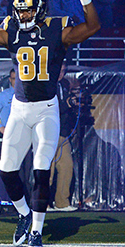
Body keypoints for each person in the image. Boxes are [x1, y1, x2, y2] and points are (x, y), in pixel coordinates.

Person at [0, 0, 101, 247]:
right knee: (6, 171)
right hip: (20, 109)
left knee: (40, 169)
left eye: (26, 11)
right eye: (19, 11)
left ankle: (36, 231)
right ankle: (25, 214)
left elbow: (93, 27)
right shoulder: (12, 30)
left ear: (39, 9)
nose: (22, 16)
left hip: (46, 109)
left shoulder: (56, 29)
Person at [49, 62, 76, 212]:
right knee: (48, 170)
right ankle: (44, 203)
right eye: (59, 70)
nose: (61, 74)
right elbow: (50, 108)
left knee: (66, 166)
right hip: (49, 134)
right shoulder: (46, 85)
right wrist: (67, 104)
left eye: (63, 71)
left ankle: (62, 202)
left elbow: (66, 109)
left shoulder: (64, 85)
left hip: (63, 134)